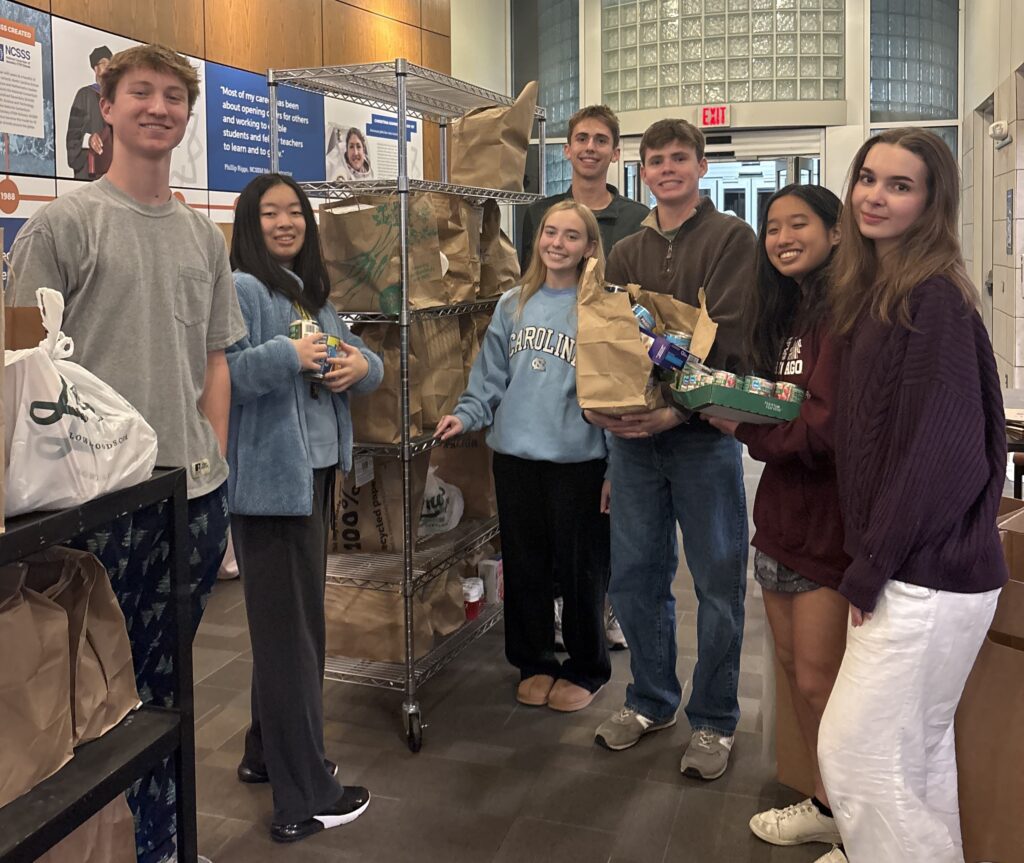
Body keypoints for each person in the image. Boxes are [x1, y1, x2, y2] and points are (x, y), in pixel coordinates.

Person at [12, 44, 246, 863]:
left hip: (191, 497)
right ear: (105, 109)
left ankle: (164, 843)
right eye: (140, 91)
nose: (159, 105)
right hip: (94, 505)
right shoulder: (63, 224)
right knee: (96, 698)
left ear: (187, 115)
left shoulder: (202, 238)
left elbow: (216, 359)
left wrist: (210, 459)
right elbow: (19, 363)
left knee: (168, 688)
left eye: (174, 94)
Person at [816, 128, 1008, 863]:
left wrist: (873, 563)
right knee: (915, 760)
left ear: (932, 202)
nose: (875, 195)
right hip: (921, 570)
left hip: (922, 575)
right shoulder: (882, 289)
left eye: (900, 185)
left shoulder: (933, 300)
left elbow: (938, 454)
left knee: (859, 759)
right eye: (868, 178)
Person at [586, 118, 755, 781]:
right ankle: (651, 699)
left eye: (679, 157)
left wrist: (672, 411)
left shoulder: (731, 240)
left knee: (717, 585)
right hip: (631, 445)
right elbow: (612, 342)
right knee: (635, 577)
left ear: (701, 165)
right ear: (642, 170)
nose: (666, 168)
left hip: (703, 440)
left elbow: (730, 338)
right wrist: (615, 422)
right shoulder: (624, 250)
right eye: (655, 160)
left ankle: (714, 718)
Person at [226, 172, 381, 843]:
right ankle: (305, 796)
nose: (285, 222)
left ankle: (267, 751)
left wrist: (360, 368)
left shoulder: (306, 291)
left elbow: (358, 355)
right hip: (270, 487)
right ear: (249, 223)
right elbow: (223, 372)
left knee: (288, 630)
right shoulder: (242, 289)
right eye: (270, 213)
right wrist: (287, 354)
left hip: (311, 477)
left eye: (295, 212)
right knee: (294, 640)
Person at [704, 185, 849, 861]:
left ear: (836, 232)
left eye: (800, 224)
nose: (783, 236)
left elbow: (822, 427)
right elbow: (780, 403)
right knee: (795, 672)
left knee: (825, 682)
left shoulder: (846, 315)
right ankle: (827, 804)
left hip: (831, 529)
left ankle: (854, 820)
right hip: (781, 518)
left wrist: (742, 429)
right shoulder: (785, 313)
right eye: (773, 226)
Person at [435, 200, 612, 712]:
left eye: (571, 236)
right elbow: (490, 377)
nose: (557, 243)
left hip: (579, 461)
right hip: (515, 458)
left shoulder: (602, 307)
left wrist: (616, 467)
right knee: (527, 564)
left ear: (589, 248)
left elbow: (622, 394)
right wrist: (466, 414)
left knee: (582, 570)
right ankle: (534, 660)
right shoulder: (513, 303)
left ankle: (586, 667)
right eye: (550, 232)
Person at [519, 103, 647, 651]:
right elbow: (528, 282)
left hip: (609, 367)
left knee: (605, 504)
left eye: (601, 140)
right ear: (566, 149)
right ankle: (555, 609)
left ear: (615, 152)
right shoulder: (539, 213)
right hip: (551, 367)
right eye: (581, 139)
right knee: (553, 517)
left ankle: (606, 607)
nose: (590, 148)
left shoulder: (638, 218)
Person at [66, 45, 113, 180]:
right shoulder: (84, 95)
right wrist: (89, 139)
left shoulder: (117, 100)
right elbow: (73, 135)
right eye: (104, 64)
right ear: (96, 69)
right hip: (89, 172)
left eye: (111, 65)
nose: (108, 68)